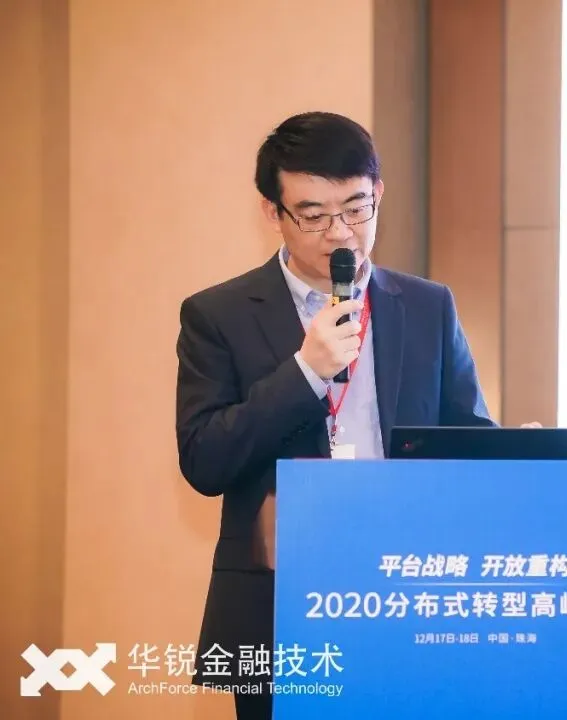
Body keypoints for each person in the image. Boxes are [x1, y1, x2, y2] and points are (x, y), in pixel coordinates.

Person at [174, 111, 504, 720]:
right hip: (281, 599)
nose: (340, 233)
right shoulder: (218, 315)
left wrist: (521, 456)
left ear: (378, 194)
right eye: (314, 215)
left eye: (356, 208)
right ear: (272, 211)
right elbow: (204, 460)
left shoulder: (427, 306)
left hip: (406, 589)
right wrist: (304, 371)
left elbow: (467, 438)